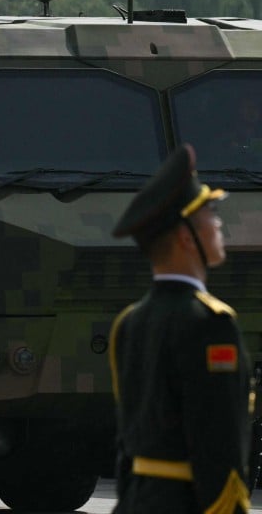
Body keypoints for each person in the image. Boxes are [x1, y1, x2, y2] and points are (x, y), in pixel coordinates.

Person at [108, 143, 251, 513]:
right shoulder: (210, 324)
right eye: (210, 213)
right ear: (187, 237)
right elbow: (217, 441)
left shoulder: (129, 322)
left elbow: (127, 441)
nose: (218, 223)